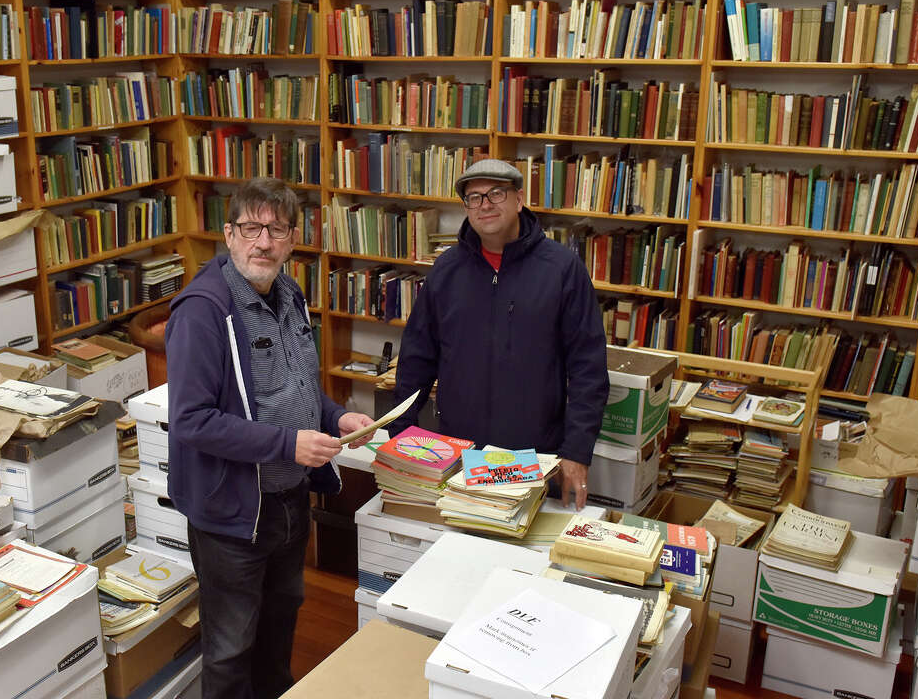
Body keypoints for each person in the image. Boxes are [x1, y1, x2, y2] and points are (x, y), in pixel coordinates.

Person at [165, 178, 374, 699]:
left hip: (288, 502)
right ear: (229, 234)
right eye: (251, 228)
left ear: (293, 237)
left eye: (275, 230)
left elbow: (298, 386)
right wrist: (287, 446)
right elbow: (191, 420)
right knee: (232, 648)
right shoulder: (203, 311)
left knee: (279, 631)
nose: (263, 242)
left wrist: (334, 416)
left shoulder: (289, 293)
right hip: (232, 512)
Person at [390, 159, 609, 509]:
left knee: (524, 558)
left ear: (519, 199)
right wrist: (401, 434)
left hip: (535, 457)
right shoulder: (446, 271)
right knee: (460, 550)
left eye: (496, 193)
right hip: (460, 454)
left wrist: (577, 452)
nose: (485, 204)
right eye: (474, 197)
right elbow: (417, 358)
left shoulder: (562, 269)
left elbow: (588, 369)